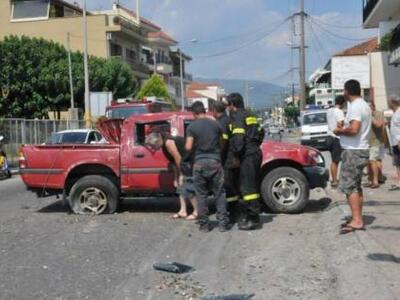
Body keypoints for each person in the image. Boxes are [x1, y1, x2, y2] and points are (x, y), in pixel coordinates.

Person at [334, 79, 371, 234]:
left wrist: (339, 131)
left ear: (347, 91)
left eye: (344, 90)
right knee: (356, 186)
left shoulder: (356, 106)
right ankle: (358, 218)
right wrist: (346, 128)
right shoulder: (364, 105)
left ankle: (357, 220)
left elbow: (355, 129)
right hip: (361, 149)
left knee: (349, 187)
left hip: (353, 151)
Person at [185, 101, 230, 232]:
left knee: (201, 194)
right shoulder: (216, 124)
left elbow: (188, 147)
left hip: (199, 162)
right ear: (204, 111)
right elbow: (223, 143)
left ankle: (204, 225)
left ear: (194, 113)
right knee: (220, 193)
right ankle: (223, 224)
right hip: (215, 161)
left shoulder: (192, 127)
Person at [228, 93, 264, 231]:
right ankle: (253, 215)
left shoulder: (238, 117)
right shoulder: (251, 115)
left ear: (232, 105)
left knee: (247, 187)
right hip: (255, 152)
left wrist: (236, 155)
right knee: (252, 184)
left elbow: (238, 139)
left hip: (247, 155)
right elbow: (261, 132)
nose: (228, 108)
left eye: (228, 105)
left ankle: (253, 219)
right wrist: (254, 146)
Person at [145, 132, 198, 220]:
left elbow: (178, 159)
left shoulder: (168, 142)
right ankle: (183, 211)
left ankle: (197, 211)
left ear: (157, 141)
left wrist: (181, 174)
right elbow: (173, 162)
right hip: (184, 163)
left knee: (187, 186)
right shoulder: (163, 146)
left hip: (190, 161)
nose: (152, 148)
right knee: (180, 186)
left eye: (152, 145)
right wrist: (175, 178)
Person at [213, 101, 240, 223]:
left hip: (227, 159)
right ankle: (234, 211)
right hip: (232, 157)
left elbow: (223, 142)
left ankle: (233, 213)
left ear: (214, 110)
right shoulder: (228, 119)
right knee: (232, 186)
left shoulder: (221, 123)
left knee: (228, 187)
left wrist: (219, 157)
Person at [365, 102, 386, 189]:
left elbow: (378, 125)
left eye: (369, 106)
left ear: (373, 107)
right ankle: (372, 179)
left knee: (373, 160)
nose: (367, 108)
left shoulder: (378, 113)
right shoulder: (365, 115)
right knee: (370, 161)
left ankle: (375, 181)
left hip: (376, 141)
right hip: (367, 142)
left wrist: (370, 116)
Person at [327, 96, 345, 188]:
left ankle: (334, 179)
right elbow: (340, 124)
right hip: (336, 138)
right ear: (342, 103)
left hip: (329, 137)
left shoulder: (330, 111)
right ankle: (335, 181)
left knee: (333, 160)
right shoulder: (339, 111)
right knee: (336, 161)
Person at [388, 94, 400, 191]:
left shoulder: (399, 113)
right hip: (395, 143)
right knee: (398, 164)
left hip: (398, 142)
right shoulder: (395, 113)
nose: (388, 103)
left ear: (393, 102)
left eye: (389, 101)